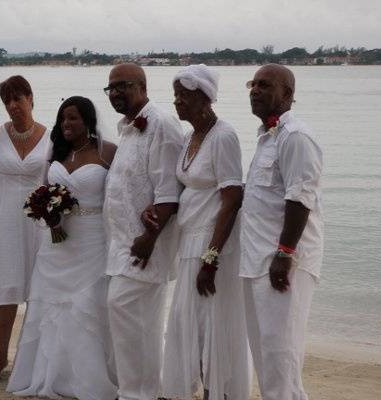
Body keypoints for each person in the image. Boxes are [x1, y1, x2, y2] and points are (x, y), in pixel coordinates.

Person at [142, 65, 250, 400]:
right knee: (191, 323)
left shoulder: (225, 136)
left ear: (205, 98)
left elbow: (232, 199)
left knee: (212, 323)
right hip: (189, 242)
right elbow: (183, 188)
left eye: (184, 97)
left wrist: (211, 258)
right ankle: (201, 390)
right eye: (175, 96)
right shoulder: (190, 137)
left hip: (212, 246)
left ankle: (217, 393)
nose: (177, 103)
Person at [7, 96, 118, 400]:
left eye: (74, 118)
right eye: (63, 119)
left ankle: (92, 381)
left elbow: (121, 196)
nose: (67, 124)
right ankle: (51, 377)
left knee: (88, 306)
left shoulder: (108, 152)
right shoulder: (56, 152)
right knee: (52, 306)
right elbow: (42, 192)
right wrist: (49, 216)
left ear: (88, 121)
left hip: (93, 239)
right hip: (56, 243)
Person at [241, 64, 323, 400]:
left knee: (281, 354)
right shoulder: (267, 137)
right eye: (253, 84)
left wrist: (285, 253)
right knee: (265, 353)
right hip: (256, 260)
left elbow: (300, 199)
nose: (255, 91)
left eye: (265, 85)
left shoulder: (296, 137)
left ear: (287, 94)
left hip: (283, 263)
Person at [103, 63, 184, 400]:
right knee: (139, 321)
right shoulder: (127, 129)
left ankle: (138, 392)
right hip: (123, 242)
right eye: (111, 89)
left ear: (142, 85)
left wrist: (150, 238)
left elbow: (169, 190)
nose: (116, 94)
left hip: (144, 244)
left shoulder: (161, 124)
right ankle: (141, 391)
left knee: (124, 309)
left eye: (122, 86)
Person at [0, 75, 51, 384]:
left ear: (30, 98)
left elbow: (59, 179)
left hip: (37, 223)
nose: (12, 106)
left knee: (40, 292)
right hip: (3, 220)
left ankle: (32, 358)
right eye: (7, 101)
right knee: (6, 289)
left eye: (17, 99)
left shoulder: (52, 137)